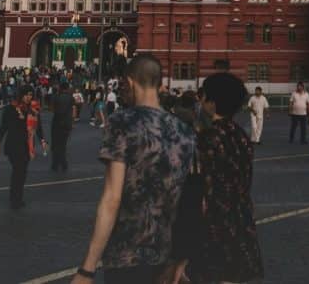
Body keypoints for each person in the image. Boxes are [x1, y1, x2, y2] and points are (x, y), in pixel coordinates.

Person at [72, 55, 195, 284]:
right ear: (160, 83)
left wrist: (87, 269)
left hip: (126, 255)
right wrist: (182, 260)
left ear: (129, 82)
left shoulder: (123, 122)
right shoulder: (184, 130)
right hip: (168, 259)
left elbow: (112, 198)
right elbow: (193, 200)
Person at [168, 72, 265, 284]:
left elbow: (196, 190)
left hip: (213, 224)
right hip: (240, 218)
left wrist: (182, 253)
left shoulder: (207, 139)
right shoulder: (241, 136)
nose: (200, 101)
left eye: (203, 97)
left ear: (212, 103)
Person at [0, 86, 46, 209]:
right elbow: (3, 127)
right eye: (26, 95)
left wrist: (42, 139)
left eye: (30, 95)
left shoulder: (33, 109)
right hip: (13, 145)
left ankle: (18, 197)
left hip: (26, 145)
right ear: (20, 95)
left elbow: (37, 126)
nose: (28, 97)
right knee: (18, 171)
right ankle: (14, 199)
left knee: (22, 173)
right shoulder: (10, 109)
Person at [51, 82, 74, 171]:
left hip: (57, 122)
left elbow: (52, 109)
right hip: (67, 123)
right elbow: (73, 109)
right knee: (63, 144)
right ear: (67, 88)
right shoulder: (71, 98)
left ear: (60, 88)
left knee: (55, 144)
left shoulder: (56, 97)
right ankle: (63, 163)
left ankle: (55, 164)